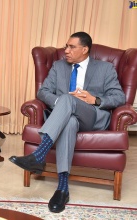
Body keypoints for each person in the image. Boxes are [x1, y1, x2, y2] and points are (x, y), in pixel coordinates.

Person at [9, 32, 125, 213]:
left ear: (85, 49)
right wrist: (61, 103)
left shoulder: (105, 68)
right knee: (69, 120)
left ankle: (39, 155)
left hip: (91, 116)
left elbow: (119, 97)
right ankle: (62, 188)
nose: (66, 51)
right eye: (66, 46)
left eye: (72, 47)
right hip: (65, 117)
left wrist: (94, 99)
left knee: (68, 100)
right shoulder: (58, 66)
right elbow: (43, 92)